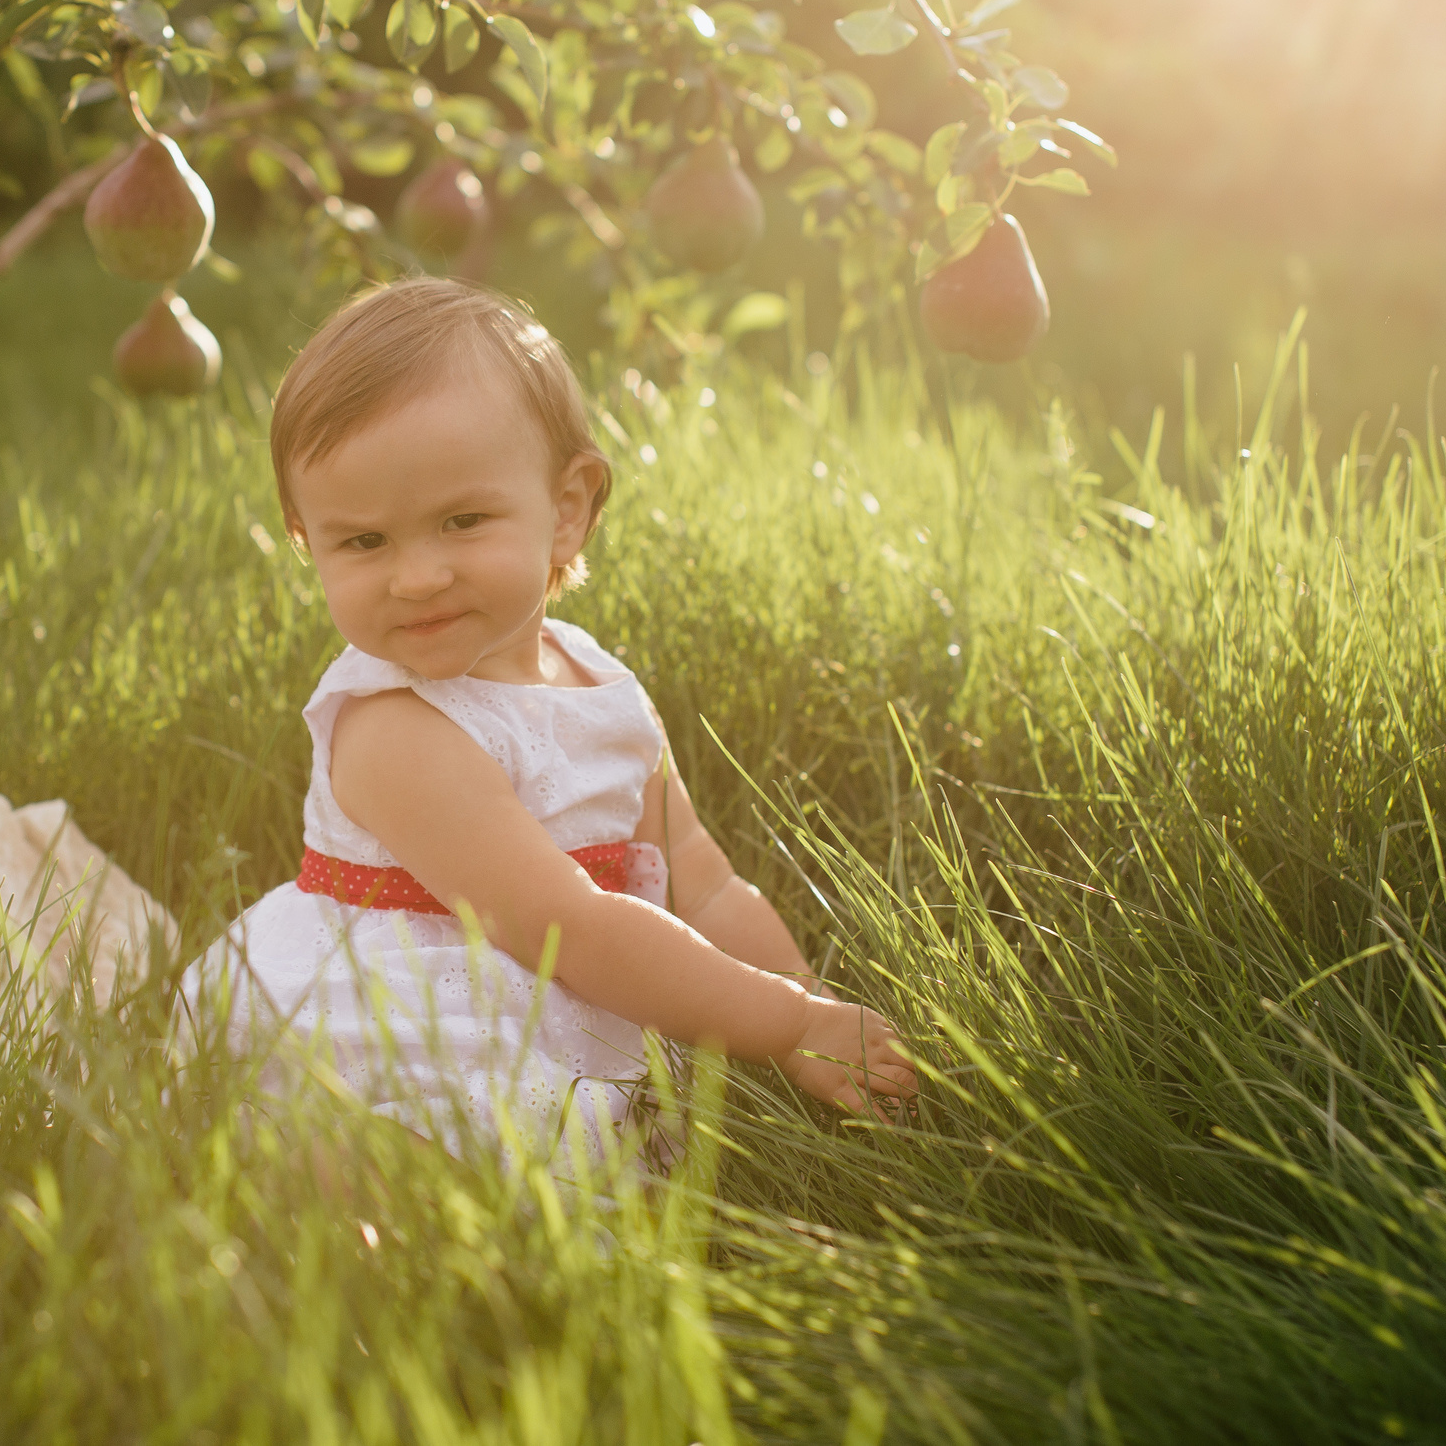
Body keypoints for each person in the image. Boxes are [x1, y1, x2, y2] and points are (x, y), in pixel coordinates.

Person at [179, 278, 916, 1172]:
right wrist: (782, 1023)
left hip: (568, 992)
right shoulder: (391, 728)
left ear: (567, 509)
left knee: (588, 1173)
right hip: (400, 1012)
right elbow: (564, 924)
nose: (416, 576)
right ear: (308, 538)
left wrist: (806, 1003)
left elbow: (704, 887)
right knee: (405, 1163)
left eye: (462, 520)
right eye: (363, 542)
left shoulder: (605, 690)